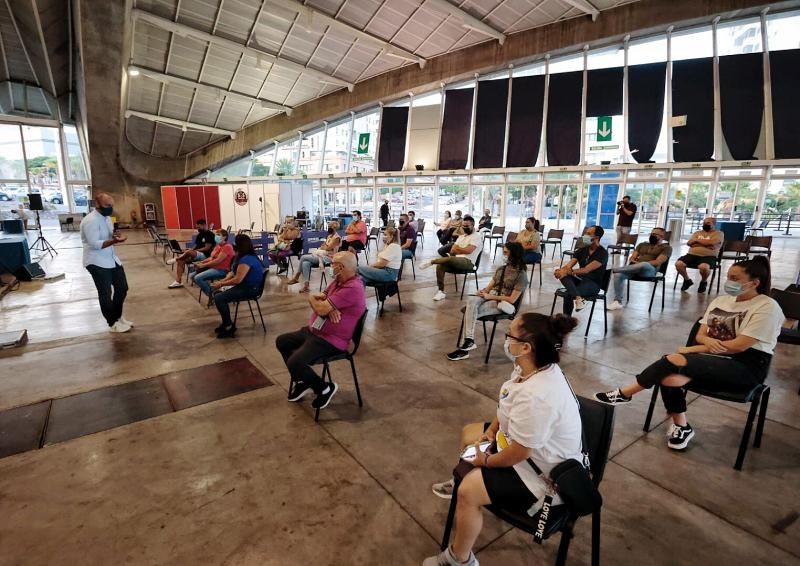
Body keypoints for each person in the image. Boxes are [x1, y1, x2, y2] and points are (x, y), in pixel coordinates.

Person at [425, 313, 582, 566]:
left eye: (510, 334)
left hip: (542, 474)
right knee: (470, 434)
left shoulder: (539, 396)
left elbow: (521, 453)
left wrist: (485, 461)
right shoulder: (530, 367)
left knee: (468, 491)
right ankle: (467, 473)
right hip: (521, 446)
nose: (506, 339)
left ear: (525, 347)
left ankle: (459, 559)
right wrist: (492, 431)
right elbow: (508, 401)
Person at [595, 256, 783, 451]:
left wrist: (693, 349)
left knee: (671, 360)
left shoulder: (767, 307)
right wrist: (705, 343)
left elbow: (738, 346)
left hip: (745, 367)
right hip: (712, 360)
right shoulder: (722, 300)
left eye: (735, 278)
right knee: (668, 377)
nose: (729, 282)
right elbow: (702, 334)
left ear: (754, 282)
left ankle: (626, 393)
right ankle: (682, 426)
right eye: (728, 276)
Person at [276, 252, 366, 411]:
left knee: (295, 361)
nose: (331, 267)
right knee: (282, 341)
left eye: (333, 265)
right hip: (315, 331)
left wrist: (322, 305)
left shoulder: (353, 287)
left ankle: (324, 388)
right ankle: (303, 381)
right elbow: (319, 298)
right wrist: (324, 306)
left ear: (342, 267)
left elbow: (320, 305)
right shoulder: (338, 282)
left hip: (331, 340)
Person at [447, 242, 527, 361]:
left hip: (502, 303)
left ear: (513, 255)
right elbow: (490, 287)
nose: (503, 255)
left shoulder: (521, 275)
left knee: (470, 312)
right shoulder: (501, 269)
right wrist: (482, 292)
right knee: (472, 301)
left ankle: (464, 349)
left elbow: (512, 299)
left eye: (505, 252)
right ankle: (469, 340)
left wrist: (489, 296)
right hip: (489, 296)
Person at [80, 192, 133, 333]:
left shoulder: (107, 218)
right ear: (97, 204)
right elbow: (95, 243)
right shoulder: (90, 220)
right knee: (105, 293)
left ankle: (118, 316)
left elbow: (110, 234)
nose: (110, 208)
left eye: (112, 205)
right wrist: (114, 241)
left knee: (122, 288)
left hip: (111, 259)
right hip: (96, 262)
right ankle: (112, 323)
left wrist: (116, 235)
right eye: (107, 205)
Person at [209, 234, 264, 338]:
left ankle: (229, 326)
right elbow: (233, 272)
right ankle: (226, 322)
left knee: (219, 298)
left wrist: (221, 283)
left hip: (250, 289)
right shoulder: (243, 256)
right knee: (217, 294)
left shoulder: (246, 259)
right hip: (246, 286)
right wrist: (224, 280)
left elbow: (238, 279)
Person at [606, 227, 672, 310]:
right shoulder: (642, 244)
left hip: (650, 271)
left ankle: (614, 270)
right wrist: (637, 263)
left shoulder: (666, 248)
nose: (652, 235)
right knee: (618, 275)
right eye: (651, 234)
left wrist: (639, 263)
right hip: (635, 269)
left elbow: (657, 262)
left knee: (644, 264)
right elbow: (632, 258)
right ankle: (617, 301)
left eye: (655, 234)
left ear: (662, 236)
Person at [419, 215, 481, 302]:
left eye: (467, 226)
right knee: (440, 266)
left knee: (451, 259)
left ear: (473, 225)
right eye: (463, 226)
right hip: (456, 261)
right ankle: (441, 291)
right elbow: (452, 250)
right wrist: (461, 249)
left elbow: (469, 251)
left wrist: (459, 249)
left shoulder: (476, 237)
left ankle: (432, 261)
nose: (464, 227)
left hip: (469, 263)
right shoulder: (461, 237)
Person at [553, 225, 608, 315]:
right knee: (563, 276)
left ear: (596, 237)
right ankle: (578, 298)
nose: (585, 236)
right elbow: (569, 265)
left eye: (588, 234)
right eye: (585, 233)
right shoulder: (582, 250)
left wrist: (568, 271)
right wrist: (561, 271)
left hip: (593, 284)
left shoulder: (602, 253)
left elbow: (586, 270)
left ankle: (566, 320)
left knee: (568, 294)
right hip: (580, 281)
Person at [289, 220, 341, 293]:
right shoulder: (329, 236)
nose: (329, 228)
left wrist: (325, 246)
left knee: (303, 257)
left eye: (330, 227)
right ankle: (306, 286)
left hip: (329, 258)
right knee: (305, 263)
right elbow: (323, 246)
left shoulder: (337, 238)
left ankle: (296, 277)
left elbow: (328, 248)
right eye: (328, 226)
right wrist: (325, 246)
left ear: (335, 228)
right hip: (322, 255)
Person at [676, 217, 723, 293]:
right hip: (691, 255)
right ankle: (687, 280)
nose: (705, 224)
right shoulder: (697, 233)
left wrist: (696, 241)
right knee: (678, 264)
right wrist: (706, 244)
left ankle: (703, 282)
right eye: (704, 223)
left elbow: (713, 243)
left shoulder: (719, 233)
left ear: (714, 224)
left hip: (709, 256)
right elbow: (689, 243)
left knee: (704, 267)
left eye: (708, 223)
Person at [166, 218, 216, 288]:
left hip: (206, 255)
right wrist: (192, 250)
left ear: (204, 225)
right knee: (181, 261)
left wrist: (194, 251)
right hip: (197, 254)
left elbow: (206, 248)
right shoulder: (199, 235)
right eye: (197, 227)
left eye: (199, 227)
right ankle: (178, 281)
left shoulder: (210, 235)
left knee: (189, 252)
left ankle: (176, 258)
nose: (198, 229)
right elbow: (196, 245)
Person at [192, 229, 235, 299]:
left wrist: (204, 265)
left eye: (218, 235)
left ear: (224, 237)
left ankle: (213, 295)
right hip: (213, 268)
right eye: (216, 234)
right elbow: (211, 258)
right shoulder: (217, 246)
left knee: (197, 278)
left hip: (222, 270)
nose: (216, 236)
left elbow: (218, 260)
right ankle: (214, 292)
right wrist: (201, 262)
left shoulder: (227, 247)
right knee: (192, 276)